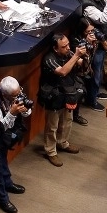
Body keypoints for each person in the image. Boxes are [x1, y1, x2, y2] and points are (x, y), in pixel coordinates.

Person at [39, 34, 87, 166]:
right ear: (55, 48)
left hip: (68, 92)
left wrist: (85, 56)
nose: (68, 48)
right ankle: (51, 151)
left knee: (67, 121)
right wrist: (76, 56)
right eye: (64, 46)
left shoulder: (69, 53)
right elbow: (63, 72)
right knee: (52, 126)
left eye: (68, 44)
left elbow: (81, 64)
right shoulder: (49, 59)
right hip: (53, 95)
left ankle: (62, 143)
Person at [0, 76, 30, 197]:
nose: (19, 96)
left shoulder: (17, 92)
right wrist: (12, 112)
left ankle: (8, 184)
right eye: (15, 96)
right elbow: (1, 126)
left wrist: (24, 110)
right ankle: (3, 198)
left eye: (19, 92)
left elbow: (28, 112)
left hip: (5, 138)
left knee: (3, 161)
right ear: (4, 93)